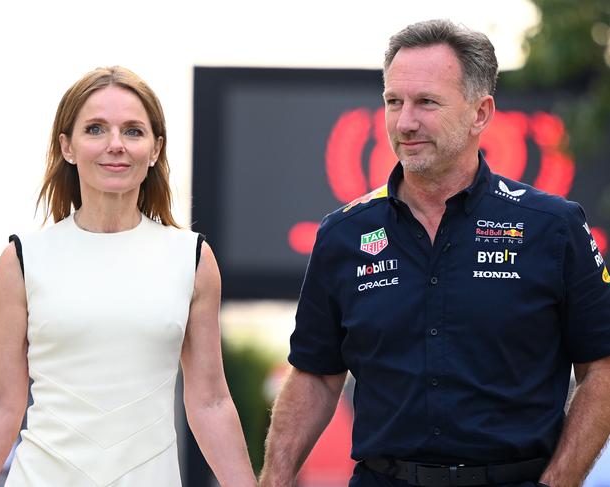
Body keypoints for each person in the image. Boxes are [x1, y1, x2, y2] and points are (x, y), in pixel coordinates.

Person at [260, 19, 610, 487]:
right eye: (393, 102)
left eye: (426, 102)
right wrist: (273, 480)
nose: (405, 122)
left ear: (480, 113)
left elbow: (602, 369)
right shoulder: (343, 235)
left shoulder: (553, 227)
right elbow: (316, 378)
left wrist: (559, 482)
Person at [0, 66, 256, 487]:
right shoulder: (21, 260)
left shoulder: (192, 258)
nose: (115, 145)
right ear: (67, 146)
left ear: (155, 149)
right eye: (96, 129)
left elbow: (209, 402)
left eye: (133, 131)